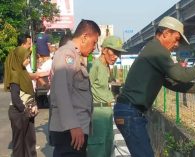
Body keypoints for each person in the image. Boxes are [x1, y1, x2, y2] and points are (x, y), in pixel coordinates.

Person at [113, 16, 195, 157]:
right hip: (130, 112)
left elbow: (173, 83)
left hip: (130, 112)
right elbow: (181, 75)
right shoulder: (157, 51)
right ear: (165, 33)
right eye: (176, 39)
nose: (177, 44)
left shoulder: (154, 51)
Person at [49, 19, 100, 157]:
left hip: (75, 131)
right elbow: (62, 92)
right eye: (94, 42)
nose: (95, 47)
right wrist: (73, 126)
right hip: (70, 133)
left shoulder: (76, 57)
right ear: (84, 37)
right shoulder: (67, 54)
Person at [87, 36, 126, 157]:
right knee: (97, 148)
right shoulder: (94, 66)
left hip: (107, 111)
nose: (116, 56)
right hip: (97, 113)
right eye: (114, 52)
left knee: (107, 146)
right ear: (104, 50)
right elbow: (85, 89)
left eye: (118, 53)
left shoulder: (106, 67)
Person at [4, 33, 39, 157]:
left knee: (30, 142)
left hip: (26, 111)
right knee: (19, 146)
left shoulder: (24, 73)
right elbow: (15, 97)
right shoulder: (16, 73)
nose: (28, 60)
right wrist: (25, 110)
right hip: (18, 112)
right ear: (20, 58)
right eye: (26, 58)